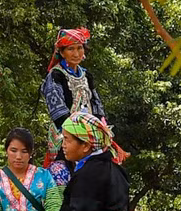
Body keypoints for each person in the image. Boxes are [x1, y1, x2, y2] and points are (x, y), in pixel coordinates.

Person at [41, 28, 126, 180]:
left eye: (79, 48)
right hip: (65, 134)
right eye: (71, 49)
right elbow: (58, 113)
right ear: (62, 53)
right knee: (64, 174)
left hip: (90, 134)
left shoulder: (86, 75)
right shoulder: (55, 76)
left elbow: (96, 104)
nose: (76, 53)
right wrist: (78, 134)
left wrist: (101, 128)